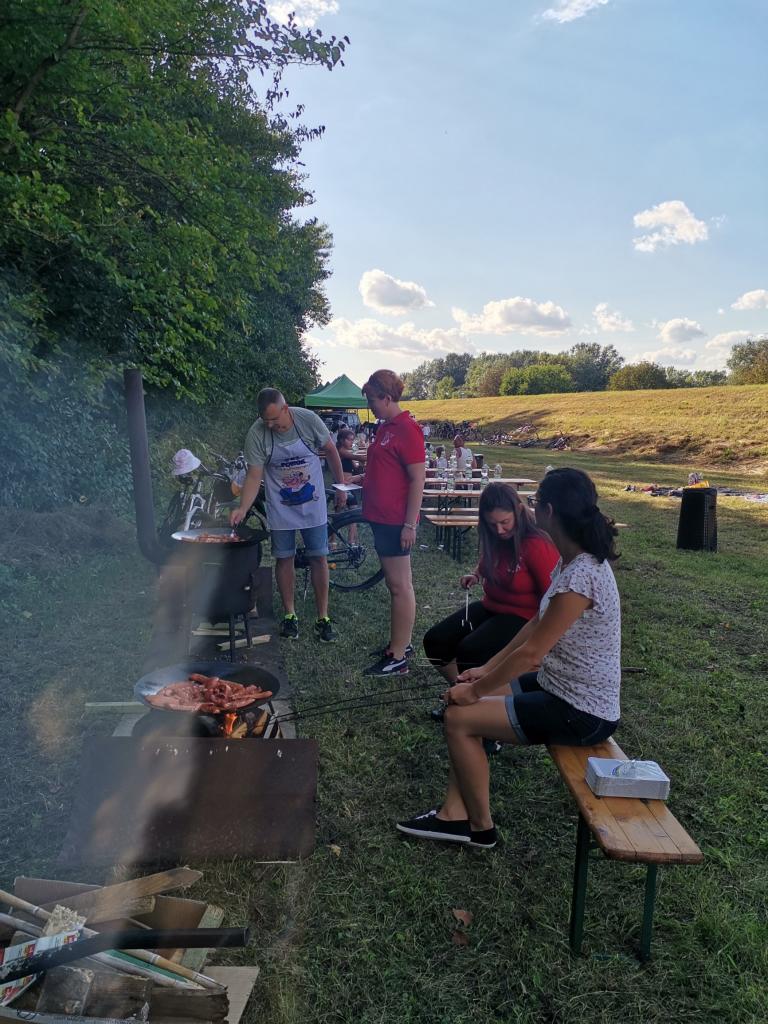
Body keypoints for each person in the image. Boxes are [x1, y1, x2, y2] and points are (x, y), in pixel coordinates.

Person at [397, 467, 621, 849]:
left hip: (582, 712)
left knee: (458, 718)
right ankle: (452, 812)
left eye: (535, 502)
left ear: (549, 511)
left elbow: (533, 654)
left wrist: (474, 690)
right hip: (557, 687)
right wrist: (486, 670)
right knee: (466, 705)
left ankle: (478, 829)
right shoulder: (572, 561)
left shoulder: (581, 576)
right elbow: (535, 622)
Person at [231, 388, 347, 643]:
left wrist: (340, 486)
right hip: (281, 506)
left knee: (319, 557)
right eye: (266, 421)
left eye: (275, 419)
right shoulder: (257, 434)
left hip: (312, 503)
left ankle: (323, 617)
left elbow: (331, 450)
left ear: (285, 408)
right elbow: (254, 476)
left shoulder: (307, 420)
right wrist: (243, 507)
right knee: (284, 558)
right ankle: (290, 615)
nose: (271, 426)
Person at [423, 483, 559, 685]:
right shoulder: (495, 537)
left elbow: (554, 597)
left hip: (523, 617)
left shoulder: (536, 545)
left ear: (518, 511)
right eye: (492, 524)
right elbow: (491, 560)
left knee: (471, 650)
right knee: (436, 640)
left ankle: (476, 697)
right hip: (492, 607)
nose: (499, 530)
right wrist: (476, 574)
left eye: (505, 522)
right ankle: (460, 689)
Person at [361, 370, 426, 676]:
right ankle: (400, 643)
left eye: (372, 401)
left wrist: (409, 525)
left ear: (387, 398)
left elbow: (417, 480)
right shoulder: (386, 427)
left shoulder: (407, 429)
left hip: (395, 521)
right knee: (396, 584)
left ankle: (398, 656)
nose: (370, 407)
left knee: (400, 586)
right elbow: (385, 469)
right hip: (381, 518)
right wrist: (360, 479)